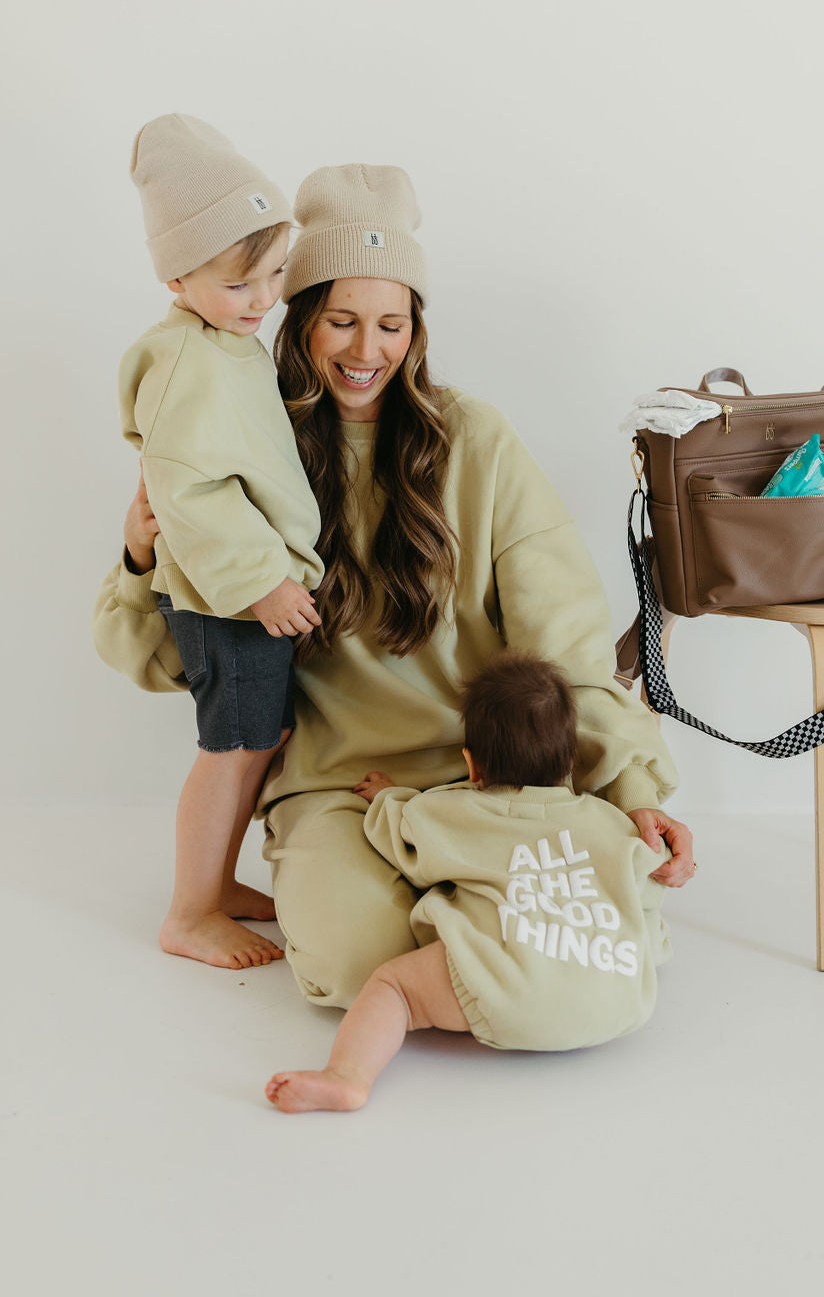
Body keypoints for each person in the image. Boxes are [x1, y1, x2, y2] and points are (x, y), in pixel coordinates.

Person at [94, 161, 695, 1010]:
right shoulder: (237, 437)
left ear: (416, 329)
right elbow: (171, 664)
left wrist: (629, 788)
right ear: (299, 319)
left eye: (391, 325)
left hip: (494, 780)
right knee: (353, 970)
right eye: (341, 321)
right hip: (338, 792)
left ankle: (464, 898)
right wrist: (140, 560)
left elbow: (562, 636)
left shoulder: (475, 440)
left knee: (596, 955)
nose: (366, 351)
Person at [265, 651, 671, 1113]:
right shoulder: (612, 825)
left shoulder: (454, 812)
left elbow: (399, 834)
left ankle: (347, 1076)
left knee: (393, 987)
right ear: (571, 761)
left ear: (472, 765)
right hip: (617, 1003)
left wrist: (387, 795)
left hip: (502, 990)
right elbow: (648, 891)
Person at [113, 115, 324, 971]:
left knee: (261, 740)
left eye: (274, 274)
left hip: (245, 586)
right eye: (241, 285)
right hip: (224, 593)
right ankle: (189, 911)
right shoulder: (187, 362)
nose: (264, 299)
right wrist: (261, 581)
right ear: (176, 276)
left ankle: (220, 880)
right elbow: (191, 489)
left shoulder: (224, 339)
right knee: (230, 747)